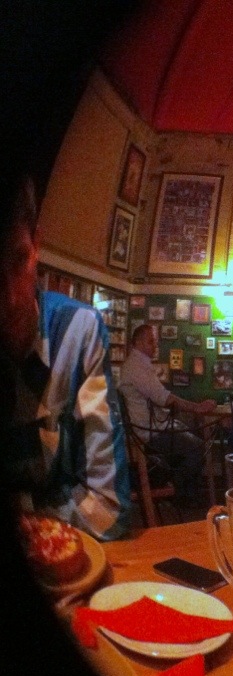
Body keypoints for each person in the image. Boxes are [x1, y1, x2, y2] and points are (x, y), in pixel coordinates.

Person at [0, 176, 132, 539]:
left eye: (17, 259)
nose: (9, 299)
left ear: (37, 245)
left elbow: (108, 510)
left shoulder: (78, 330)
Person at [118, 323, 216, 509]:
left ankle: (180, 494)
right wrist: (197, 407)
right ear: (138, 343)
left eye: (155, 342)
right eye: (151, 341)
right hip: (148, 431)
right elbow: (163, 398)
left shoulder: (138, 364)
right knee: (199, 448)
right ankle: (174, 492)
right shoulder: (136, 366)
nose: (155, 346)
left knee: (192, 442)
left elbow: (161, 398)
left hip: (151, 427)